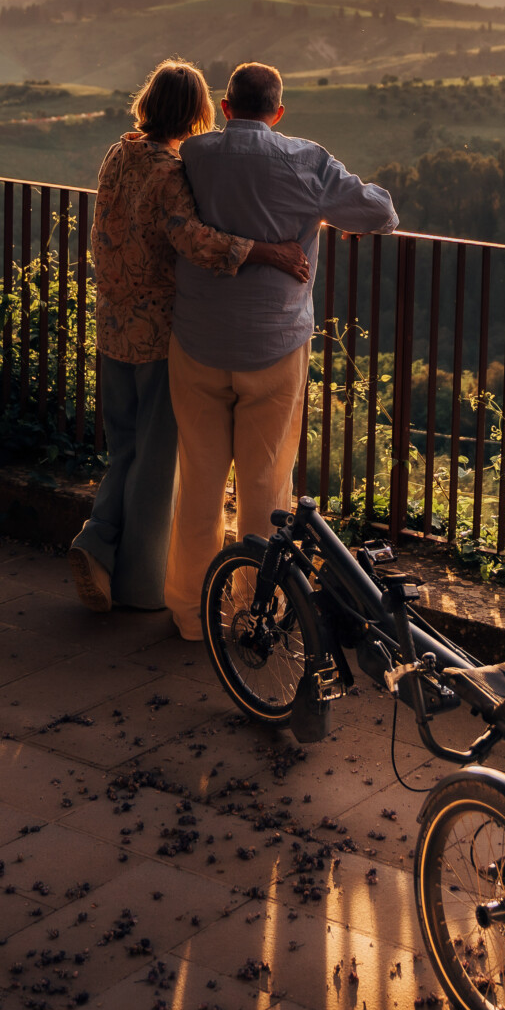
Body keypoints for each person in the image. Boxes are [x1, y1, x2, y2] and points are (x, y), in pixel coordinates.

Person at [166, 61, 397, 640]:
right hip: (273, 344)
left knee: (198, 480)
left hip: (197, 341)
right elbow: (381, 212)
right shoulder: (307, 161)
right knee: (266, 484)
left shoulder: (195, 156)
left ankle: (191, 616)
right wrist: (322, 211)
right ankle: (253, 613)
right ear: (278, 112)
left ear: (226, 106)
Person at [75, 60, 310, 615]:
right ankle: (140, 589)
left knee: (125, 450)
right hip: (158, 332)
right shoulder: (169, 170)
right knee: (158, 465)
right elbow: (193, 239)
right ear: (200, 111)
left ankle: (95, 545)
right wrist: (266, 250)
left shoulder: (120, 153)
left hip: (111, 325)